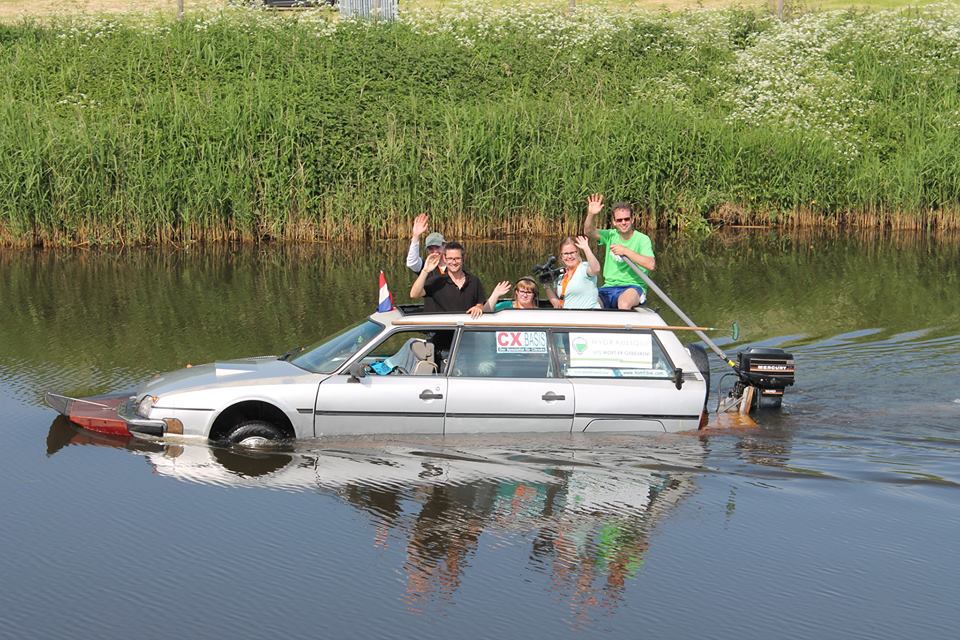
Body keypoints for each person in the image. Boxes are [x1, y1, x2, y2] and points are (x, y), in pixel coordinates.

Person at [583, 193, 656, 309]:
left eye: (626, 219)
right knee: (589, 303)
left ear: (632, 219)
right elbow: (588, 231)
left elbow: (651, 264)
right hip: (608, 286)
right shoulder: (610, 235)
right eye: (619, 220)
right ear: (614, 222)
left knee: (624, 304)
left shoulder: (642, 239)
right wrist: (591, 214)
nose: (623, 222)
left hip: (633, 287)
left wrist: (625, 251)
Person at [410, 241, 499, 319]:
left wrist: (478, 308)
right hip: (441, 334)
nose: (453, 262)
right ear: (445, 259)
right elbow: (414, 294)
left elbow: (480, 303)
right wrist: (425, 270)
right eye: (450, 259)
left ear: (463, 258)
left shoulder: (474, 281)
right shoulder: (436, 281)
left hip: (466, 333)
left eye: (457, 258)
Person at [544, 236, 601, 309]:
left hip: (588, 315)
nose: (569, 256)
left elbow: (596, 269)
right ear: (561, 256)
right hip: (569, 317)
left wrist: (586, 248)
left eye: (572, 252)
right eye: (566, 253)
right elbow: (558, 305)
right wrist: (546, 286)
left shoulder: (584, 267)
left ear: (578, 252)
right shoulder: (561, 275)